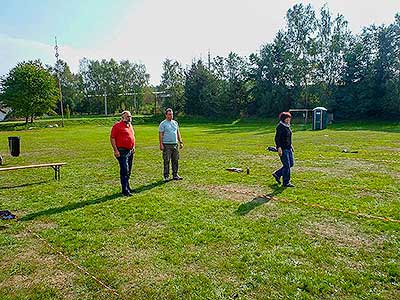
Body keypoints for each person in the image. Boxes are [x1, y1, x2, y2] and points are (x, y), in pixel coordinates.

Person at [110, 111, 135, 196]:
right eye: (128, 116)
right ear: (123, 117)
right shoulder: (117, 126)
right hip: (122, 151)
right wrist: (116, 150)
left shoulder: (130, 126)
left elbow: (132, 136)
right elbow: (112, 138)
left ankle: (127, 186)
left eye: (130, 116)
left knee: (129, 170)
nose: (129, 118)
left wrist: (133, 146)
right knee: (124, 170)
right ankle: (125, 190)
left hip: (130, 151)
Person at [159, 108, 184, 181]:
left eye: (172, 114)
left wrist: (180, 142)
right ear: (166, 115)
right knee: (166, 160)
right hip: (166, 145)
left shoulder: (175, 123)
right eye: (169, 114)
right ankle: (166, 176)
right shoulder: (163, 124)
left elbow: (177, 133)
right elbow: (161, 135)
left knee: (175, 160)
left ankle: (175, 174)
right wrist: (161, 144)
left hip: (175, 144)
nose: (171, 116)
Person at [272, 112, 295, 187]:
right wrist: (279, 148)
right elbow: (277, 139)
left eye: (289, 118)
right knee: (287, 165)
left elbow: (288, 137)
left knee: (291, 164)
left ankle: (277, 174)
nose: (288, 119)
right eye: (287, 118)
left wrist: (291, 145)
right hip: (283, 149)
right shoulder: (280, 127)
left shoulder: (287, 126)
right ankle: (286, 182)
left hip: (288, 148)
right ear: (283, 119)